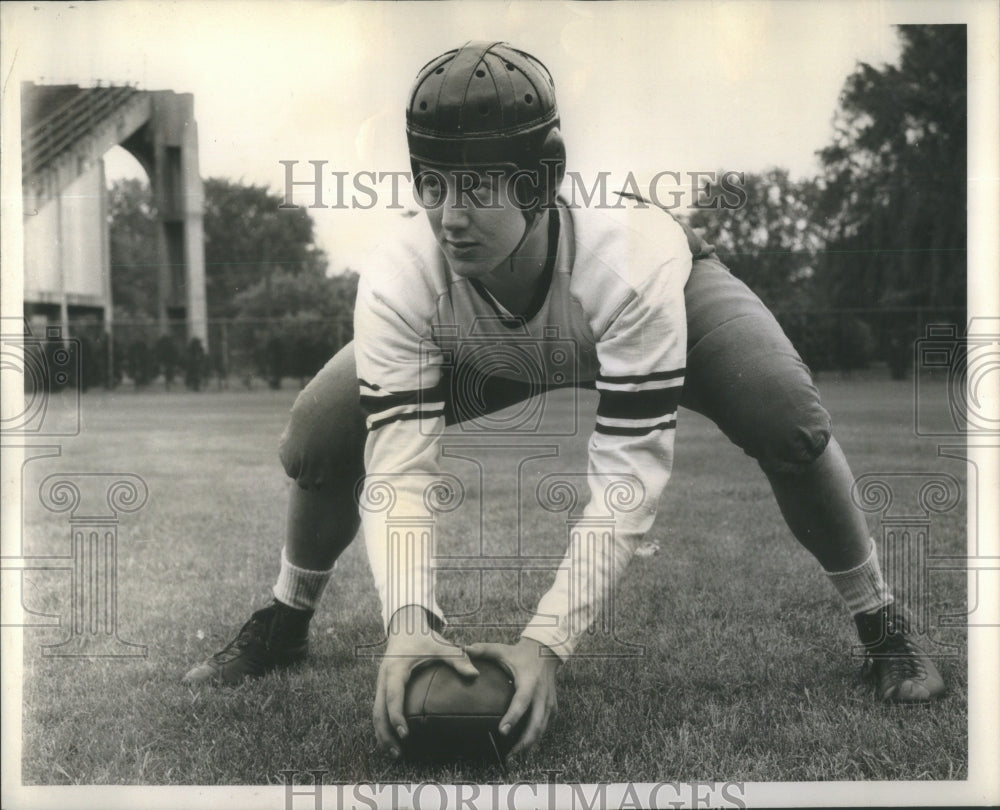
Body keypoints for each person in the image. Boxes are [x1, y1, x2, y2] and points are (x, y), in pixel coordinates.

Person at [183, 42, 944, 760]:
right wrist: (408, 622)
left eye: (479, 185)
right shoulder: (401, 273)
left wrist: (545, 643)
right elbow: (399, 468)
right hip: (479, 338)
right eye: (435, 181)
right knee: (318, 433)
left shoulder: (627, 257)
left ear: (541, 180)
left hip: (637, 306)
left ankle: (879, 620)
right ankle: (287, 618)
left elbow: (627, 480)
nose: (451, 214)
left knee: (786, 416)